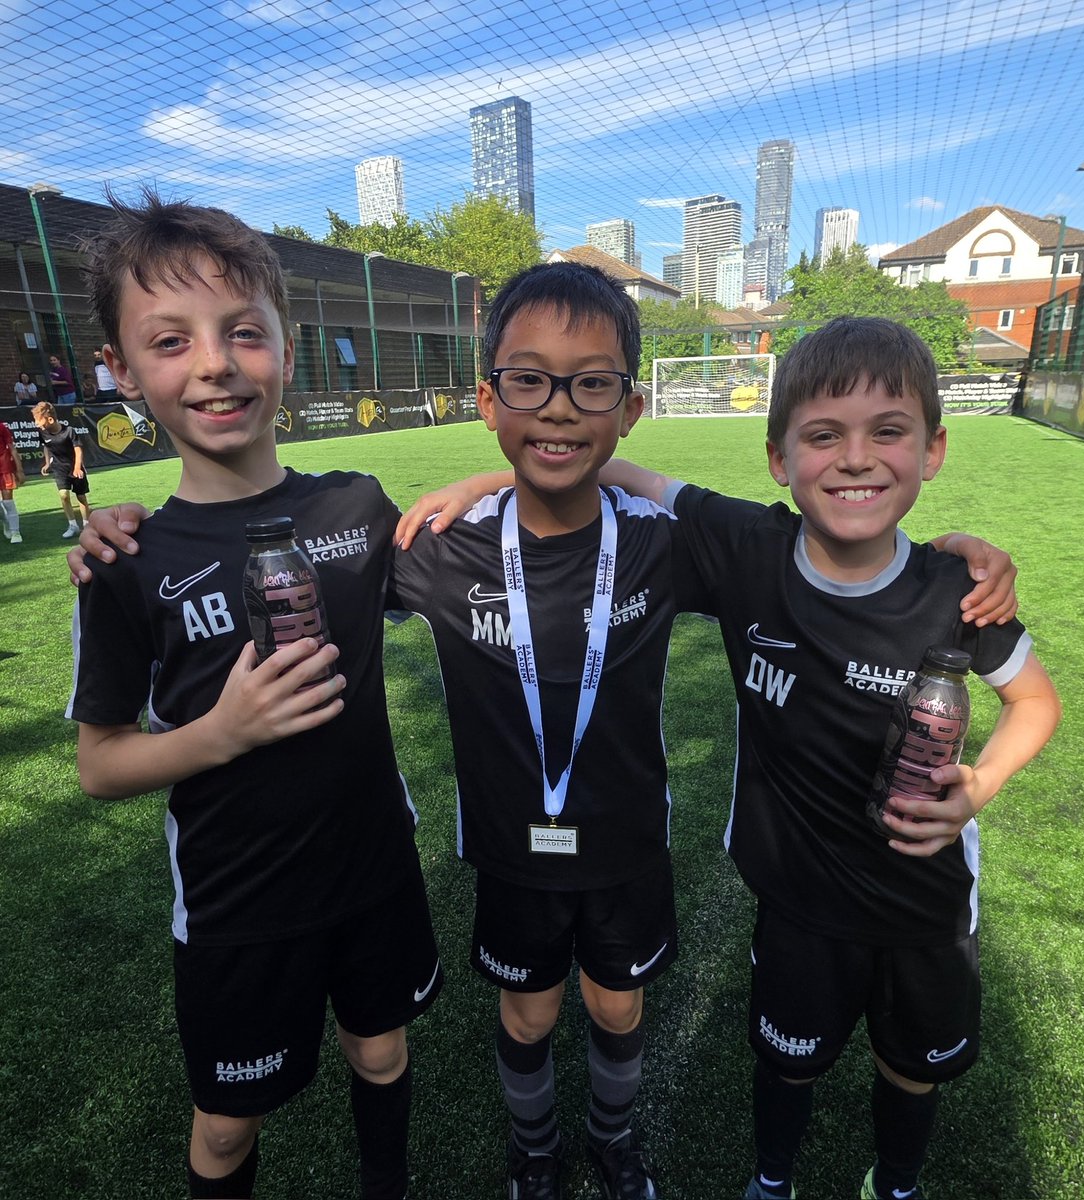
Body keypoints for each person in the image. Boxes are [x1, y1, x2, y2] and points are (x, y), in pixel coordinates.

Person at [72, 286, 1021, 1200]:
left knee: (616, 1004)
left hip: (624, 848)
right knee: (524, 1010)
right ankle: (534, 1152)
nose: (558, 407)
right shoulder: (432, 547)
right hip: (509, 853)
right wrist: (124, 530)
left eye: (591, 385)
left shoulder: (668, 543)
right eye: (527, 383)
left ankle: (613, 1137)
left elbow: (812, 550)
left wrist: (954, 559)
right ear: (489, 399)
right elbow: (296, 547)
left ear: (629, 405)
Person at [595, 317, 1061, 1200]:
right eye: (822, 435)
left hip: (924, 910)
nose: (855, 458)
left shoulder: (957, 593)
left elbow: (1034, 700)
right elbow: (613, 470)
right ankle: (772, 1181)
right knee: (788, 1064)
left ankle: (896, 1185)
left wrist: (980, 786)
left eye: (888, 431)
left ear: (932, 450)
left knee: (911, 1070)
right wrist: (493, 475)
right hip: (798, 903)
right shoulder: (746, 552)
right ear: (778, 459)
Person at [67, 191, 441, 1200]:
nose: (215, 363)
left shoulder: (355, 507)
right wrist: (220, 733)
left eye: (243, 332)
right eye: (170, 340)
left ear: (287, 342)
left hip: (373, 869)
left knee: (381, 1052)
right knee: (226, 1128)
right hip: (239, 908)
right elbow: (100, 763)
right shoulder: (125, 559)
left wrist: (487, 486)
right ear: (123, 368)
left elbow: (487, 570)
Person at [32, 399, 93, 537]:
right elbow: (46, 446)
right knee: (64, 495)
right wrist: (47, 463)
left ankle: (86, 524)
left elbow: (78, 450)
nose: (36, 423)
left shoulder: (69, 431)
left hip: (75, 467)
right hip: (59, 468)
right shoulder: (42, 433)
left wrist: (77, 468)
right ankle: (72, 525)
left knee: (81, 497)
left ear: (50, 420)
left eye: (38, 420)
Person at [0, 419, 25, 543]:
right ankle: (5, 520)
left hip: (5, 469)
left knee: (8, 502)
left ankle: (15, 532)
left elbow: (13, 449)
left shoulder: (1, 427)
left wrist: (19, 470)